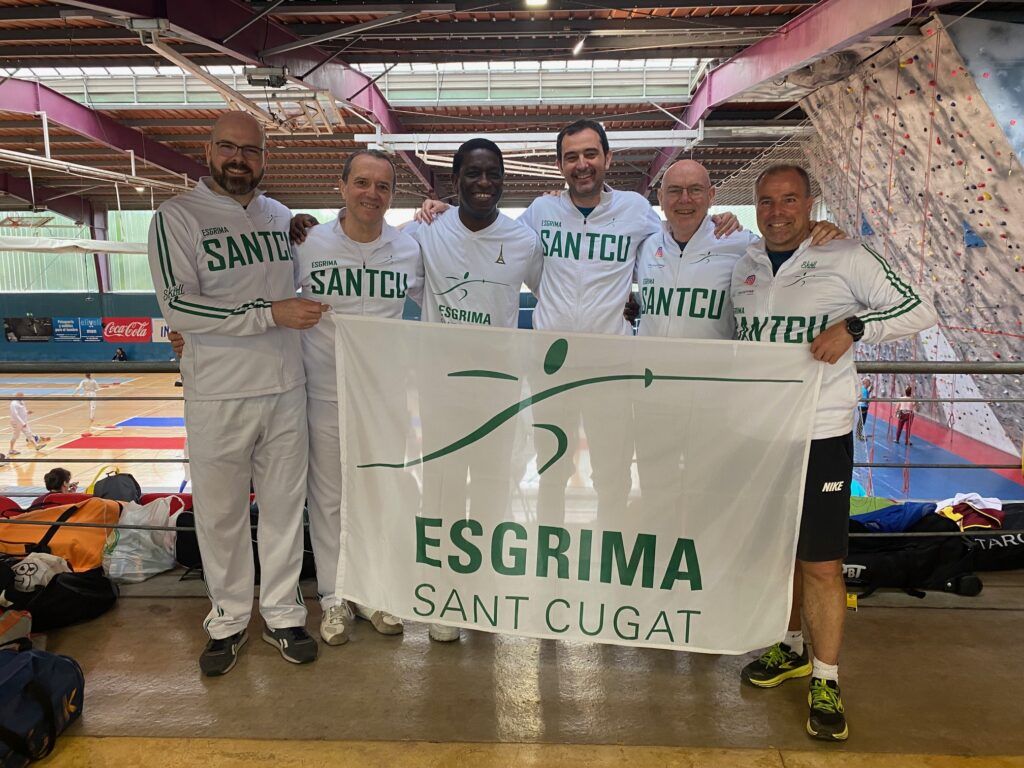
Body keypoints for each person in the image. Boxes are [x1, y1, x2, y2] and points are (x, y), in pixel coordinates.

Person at [731, 164, 937, 741]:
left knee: (820, 563)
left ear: (810, 204)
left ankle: (826, 676)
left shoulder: (844, 255)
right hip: (759, 433)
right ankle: (791, 648)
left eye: (789, 199)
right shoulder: (744, 265)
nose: (777, 212)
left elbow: (919, 309)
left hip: (820, 431)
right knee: (779, 556)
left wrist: (854, 326)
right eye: (766, 201)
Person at [147, 111, 326, 677]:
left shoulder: (280, 218)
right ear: (209, 150)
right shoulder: (176, 217)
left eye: (250, 150)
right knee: (221, 516)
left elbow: (314, 275)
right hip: (217, 393)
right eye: (228, 147)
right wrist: (268, 313)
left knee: (282, 512)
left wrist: (306, 228)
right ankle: (226, 620)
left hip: (284, 388)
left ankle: (281, 613)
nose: (238, 159)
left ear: (264, 156)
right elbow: (179, 306)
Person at [635, 159, 846, 516]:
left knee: (711, 495)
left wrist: (819, 230)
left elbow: (787, 242)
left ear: (712, 195)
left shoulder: (741, 245)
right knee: (655, 493)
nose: (684, 199)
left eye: (695, 190)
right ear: (660, 196)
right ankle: (662, 565)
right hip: (654, 400)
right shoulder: (645, 246)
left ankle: (706, 567)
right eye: (674, 190)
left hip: (714, 403)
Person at [856, 376, 873, 441]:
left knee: (861, 421)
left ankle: (858, 434)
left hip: (861, 406)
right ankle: (858, 435)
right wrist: (871, 399)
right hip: (863, 407)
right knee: (862, 422)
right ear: (866, 383)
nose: (870, 384)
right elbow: (866, 400)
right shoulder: (865, 390)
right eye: (869, 383)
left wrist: (870, 391)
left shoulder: (863, 389)